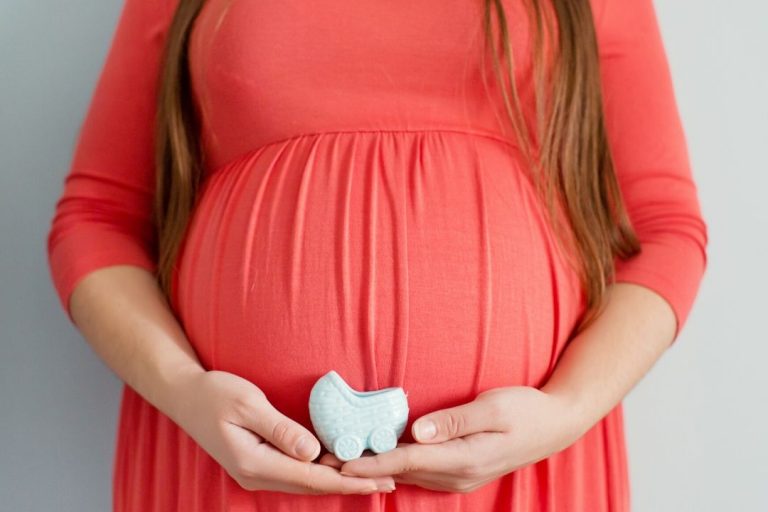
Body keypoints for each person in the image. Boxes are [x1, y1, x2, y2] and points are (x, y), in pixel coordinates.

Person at [45, 0, 708, 510]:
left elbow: (667, 231)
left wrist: (565, 412)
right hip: (233, 476)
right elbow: (97, 220)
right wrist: (184, 391)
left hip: (515, 483)